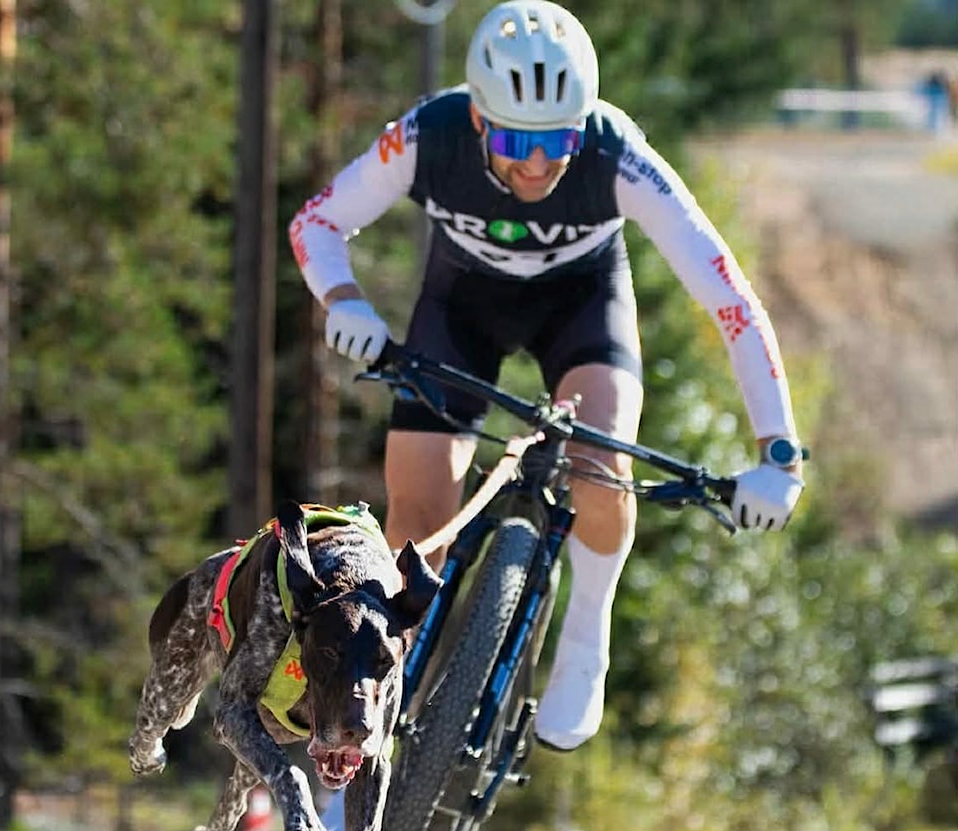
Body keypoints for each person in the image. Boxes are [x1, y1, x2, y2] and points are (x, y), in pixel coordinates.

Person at [289, 0, 804, 759]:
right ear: (477, 120)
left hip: (582, 308)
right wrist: (344, 300)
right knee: (418, 517)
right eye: (514, 141)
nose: (537, 163)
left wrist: (779, 452)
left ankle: (587, 630)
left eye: (558, 140)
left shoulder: (615, 151)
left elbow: (729, 298)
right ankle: (367, 726)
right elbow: (316, 223)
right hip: (461, 309)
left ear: (583, 123)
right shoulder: (430, 133)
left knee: (601, 464)